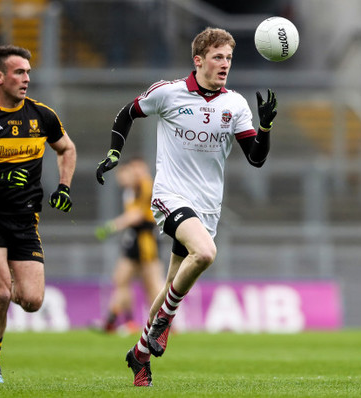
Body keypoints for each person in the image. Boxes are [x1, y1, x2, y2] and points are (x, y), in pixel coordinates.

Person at [96, 27, 277, 387]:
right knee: (206, 253)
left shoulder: (235, 104)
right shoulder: (169, 93)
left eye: (228, 58)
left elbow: (255, 158)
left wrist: (267, 125)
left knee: (168, 285)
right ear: (198, 60)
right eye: (217, 57)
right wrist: (114, 152)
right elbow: (126, 112)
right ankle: (164, 323)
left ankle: (140, 355)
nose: (225, 64)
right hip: (170, 197)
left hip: (208, 207)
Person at [0, 44, 77, 383]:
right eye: (19, 72)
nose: (26, 79)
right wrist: (1, 179)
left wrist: (64, 186)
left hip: (25, 218)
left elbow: (66, 148)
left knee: (32, 301)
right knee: (3, 294)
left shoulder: (42, 116)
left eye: (28, 73)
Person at [95, 158, 164, 334]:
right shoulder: (130, 190)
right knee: (121, 280)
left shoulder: (146, 185)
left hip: (146, 239)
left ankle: (164, 322)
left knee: (152, 284)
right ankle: (122, 321)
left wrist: (112, 226)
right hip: (135, 238)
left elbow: (138, 215)